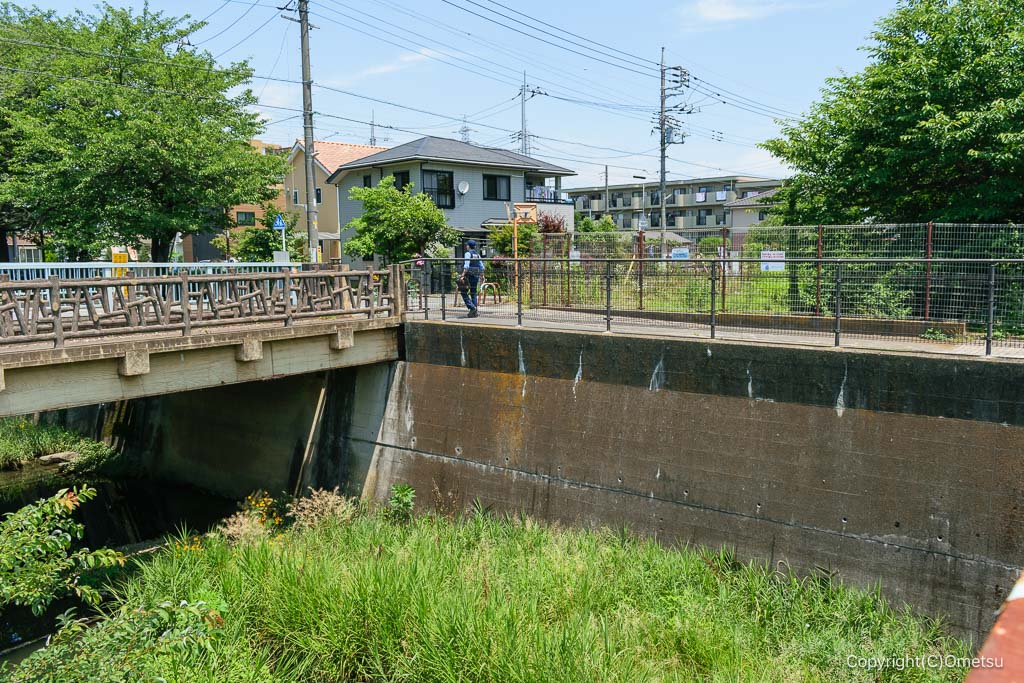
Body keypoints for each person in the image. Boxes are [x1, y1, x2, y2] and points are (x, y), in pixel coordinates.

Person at [458, 239, 484, 317]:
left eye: (467, 245)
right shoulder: (478, 255)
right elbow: (482, 266)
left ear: (468, 246)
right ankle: (474, 312)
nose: (466, 246)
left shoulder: (468, 254)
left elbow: (466, 266)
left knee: (462, 290)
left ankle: (472, 307)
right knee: (473, 292)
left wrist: (462, 275)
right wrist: (482, 276)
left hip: (468, 275)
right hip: (476, 275)